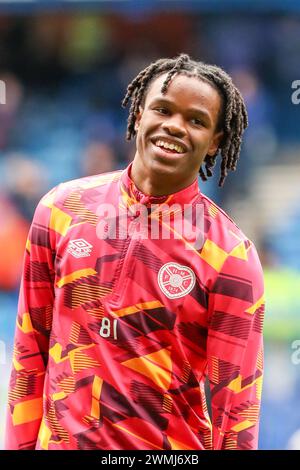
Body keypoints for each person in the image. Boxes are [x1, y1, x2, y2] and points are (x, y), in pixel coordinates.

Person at [5, 54, 265, 450]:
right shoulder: (60, 211)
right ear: (139, 112)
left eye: (196, 120)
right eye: (163, 109)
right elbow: (29, 351)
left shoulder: (230, 257)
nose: (175, 126)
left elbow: (238, 411)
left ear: (215, 141)